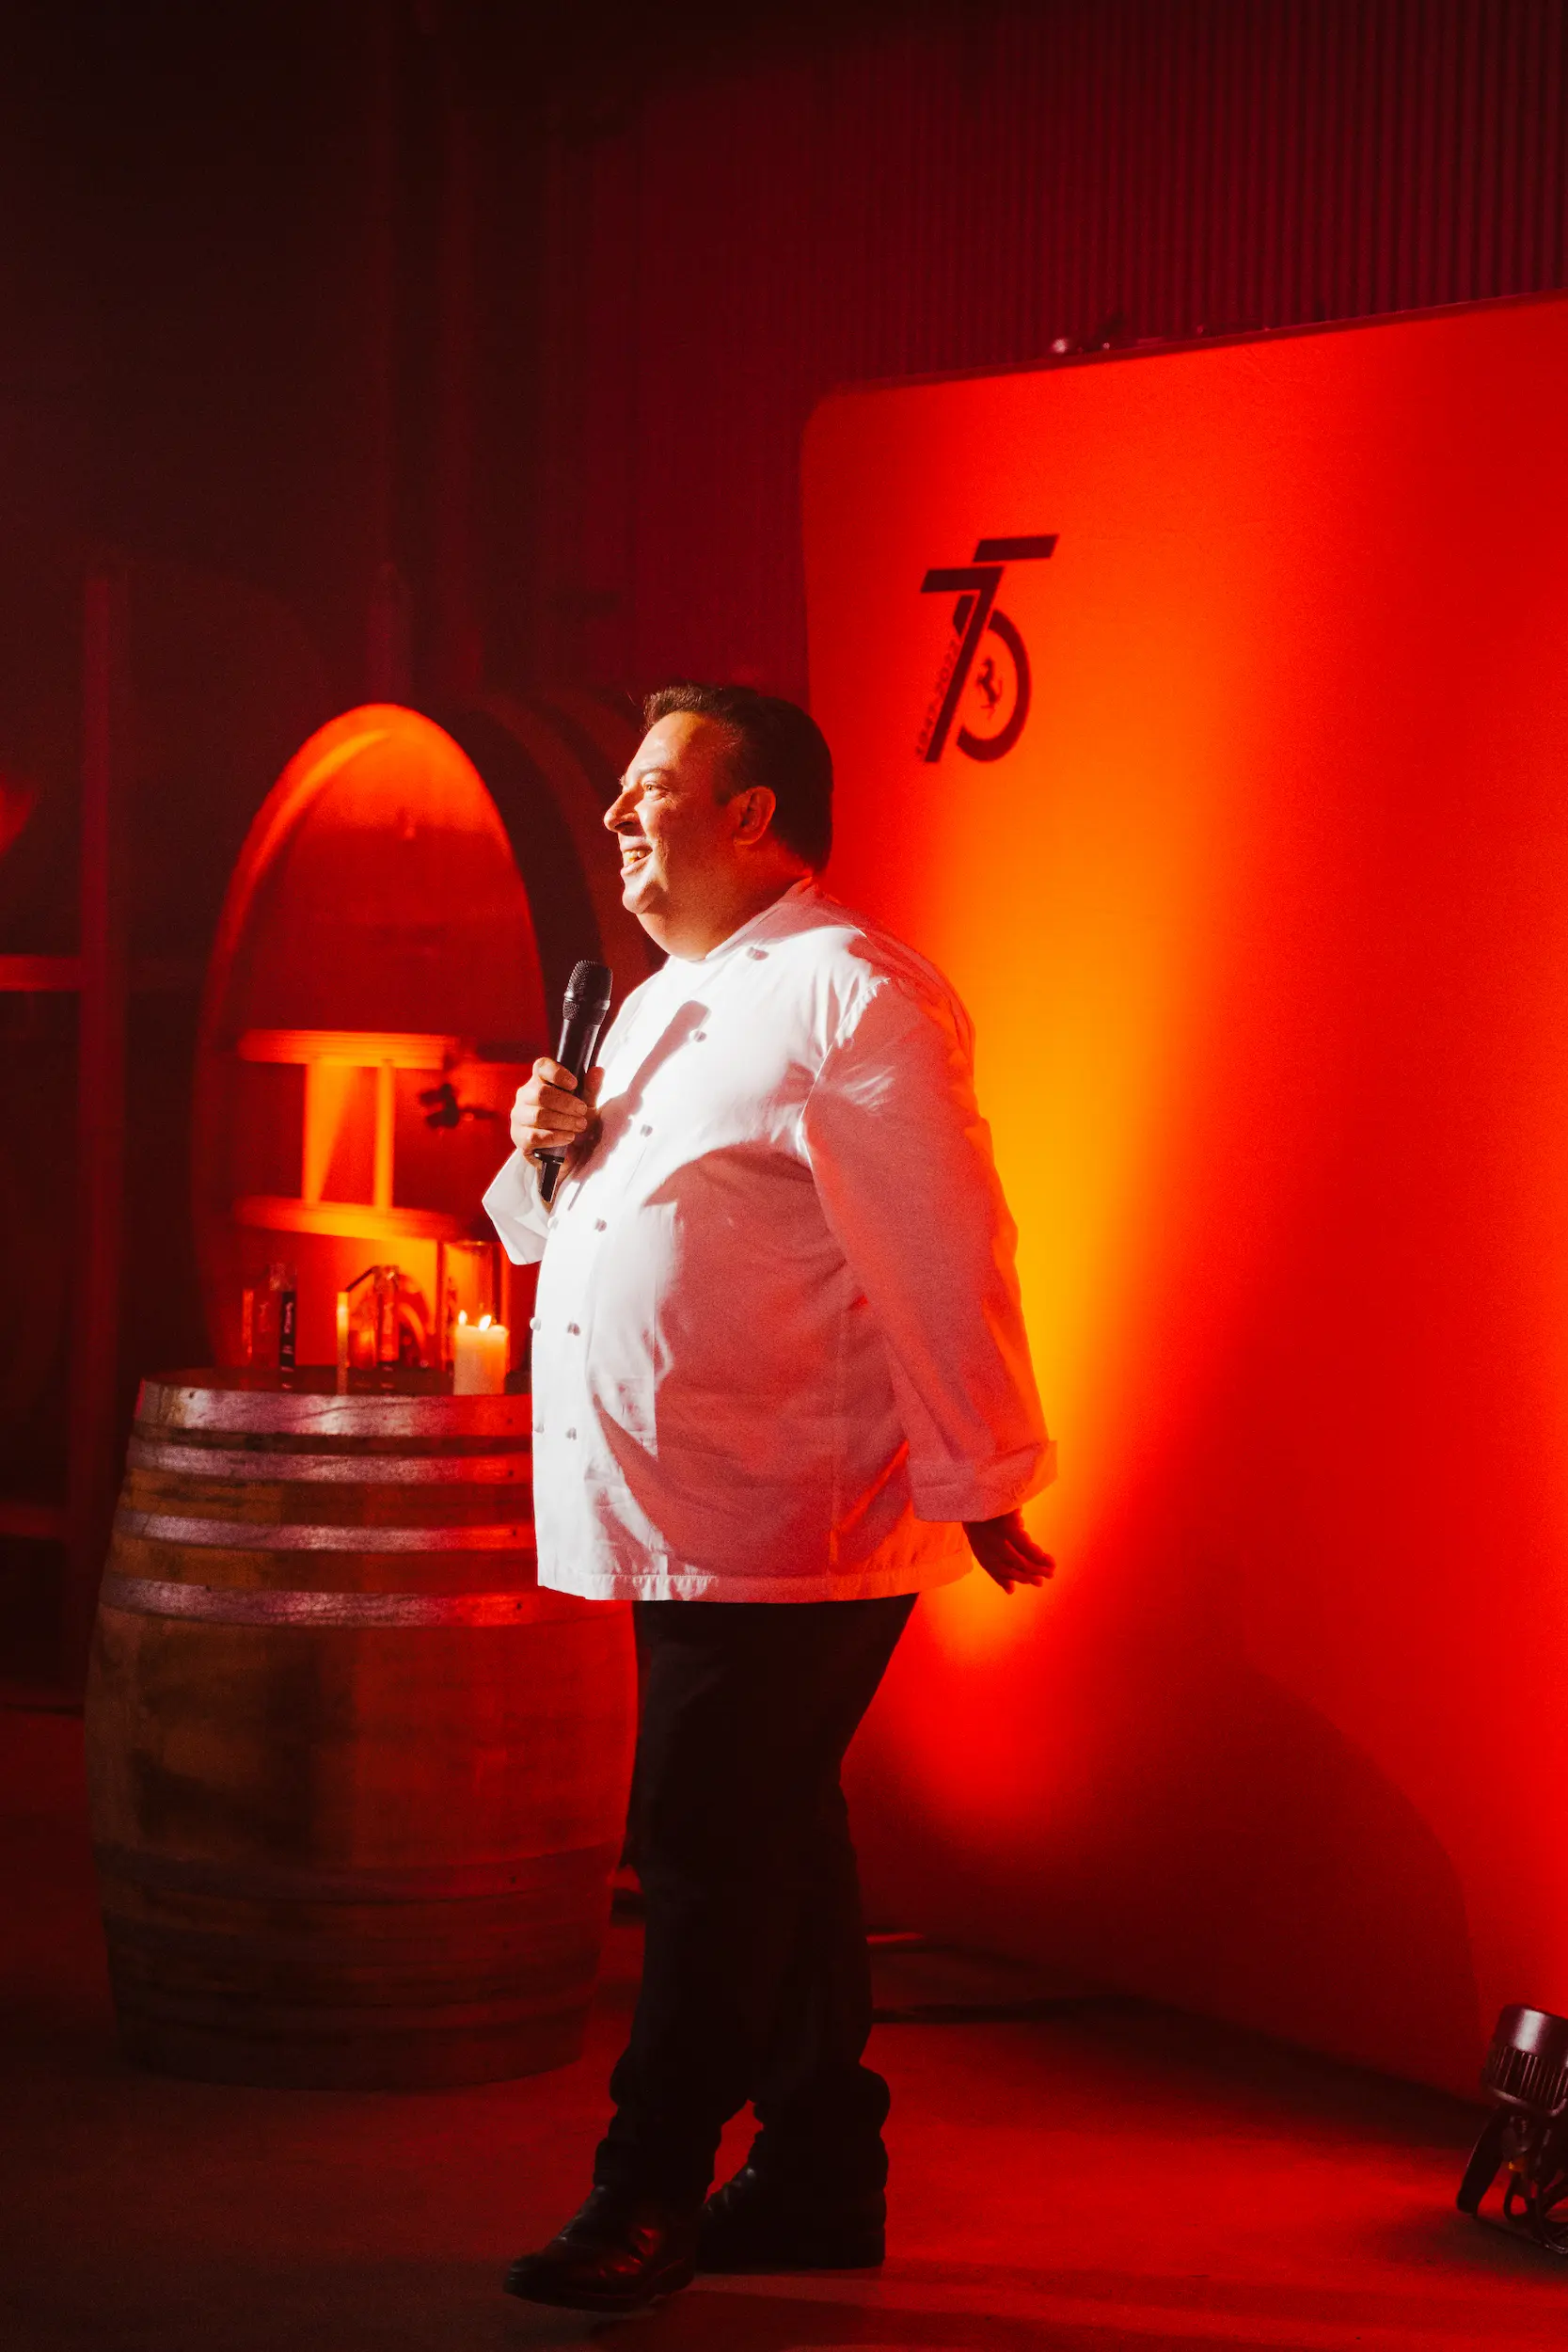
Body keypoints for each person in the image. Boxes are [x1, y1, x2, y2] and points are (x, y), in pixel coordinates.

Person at [483, 683, 1054, 2316]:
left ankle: (643, 2186)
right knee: (775, 1840)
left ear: (752, 817)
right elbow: (553, 1236)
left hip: (792, 1513)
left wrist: (984, 1472)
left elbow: (946, 1253)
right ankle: (817, 2169)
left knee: (703, 1842)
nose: (613, 818)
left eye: (652, 787)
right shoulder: (657, 998)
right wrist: (544, 1148)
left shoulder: (849, 993)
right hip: (680, 1510)